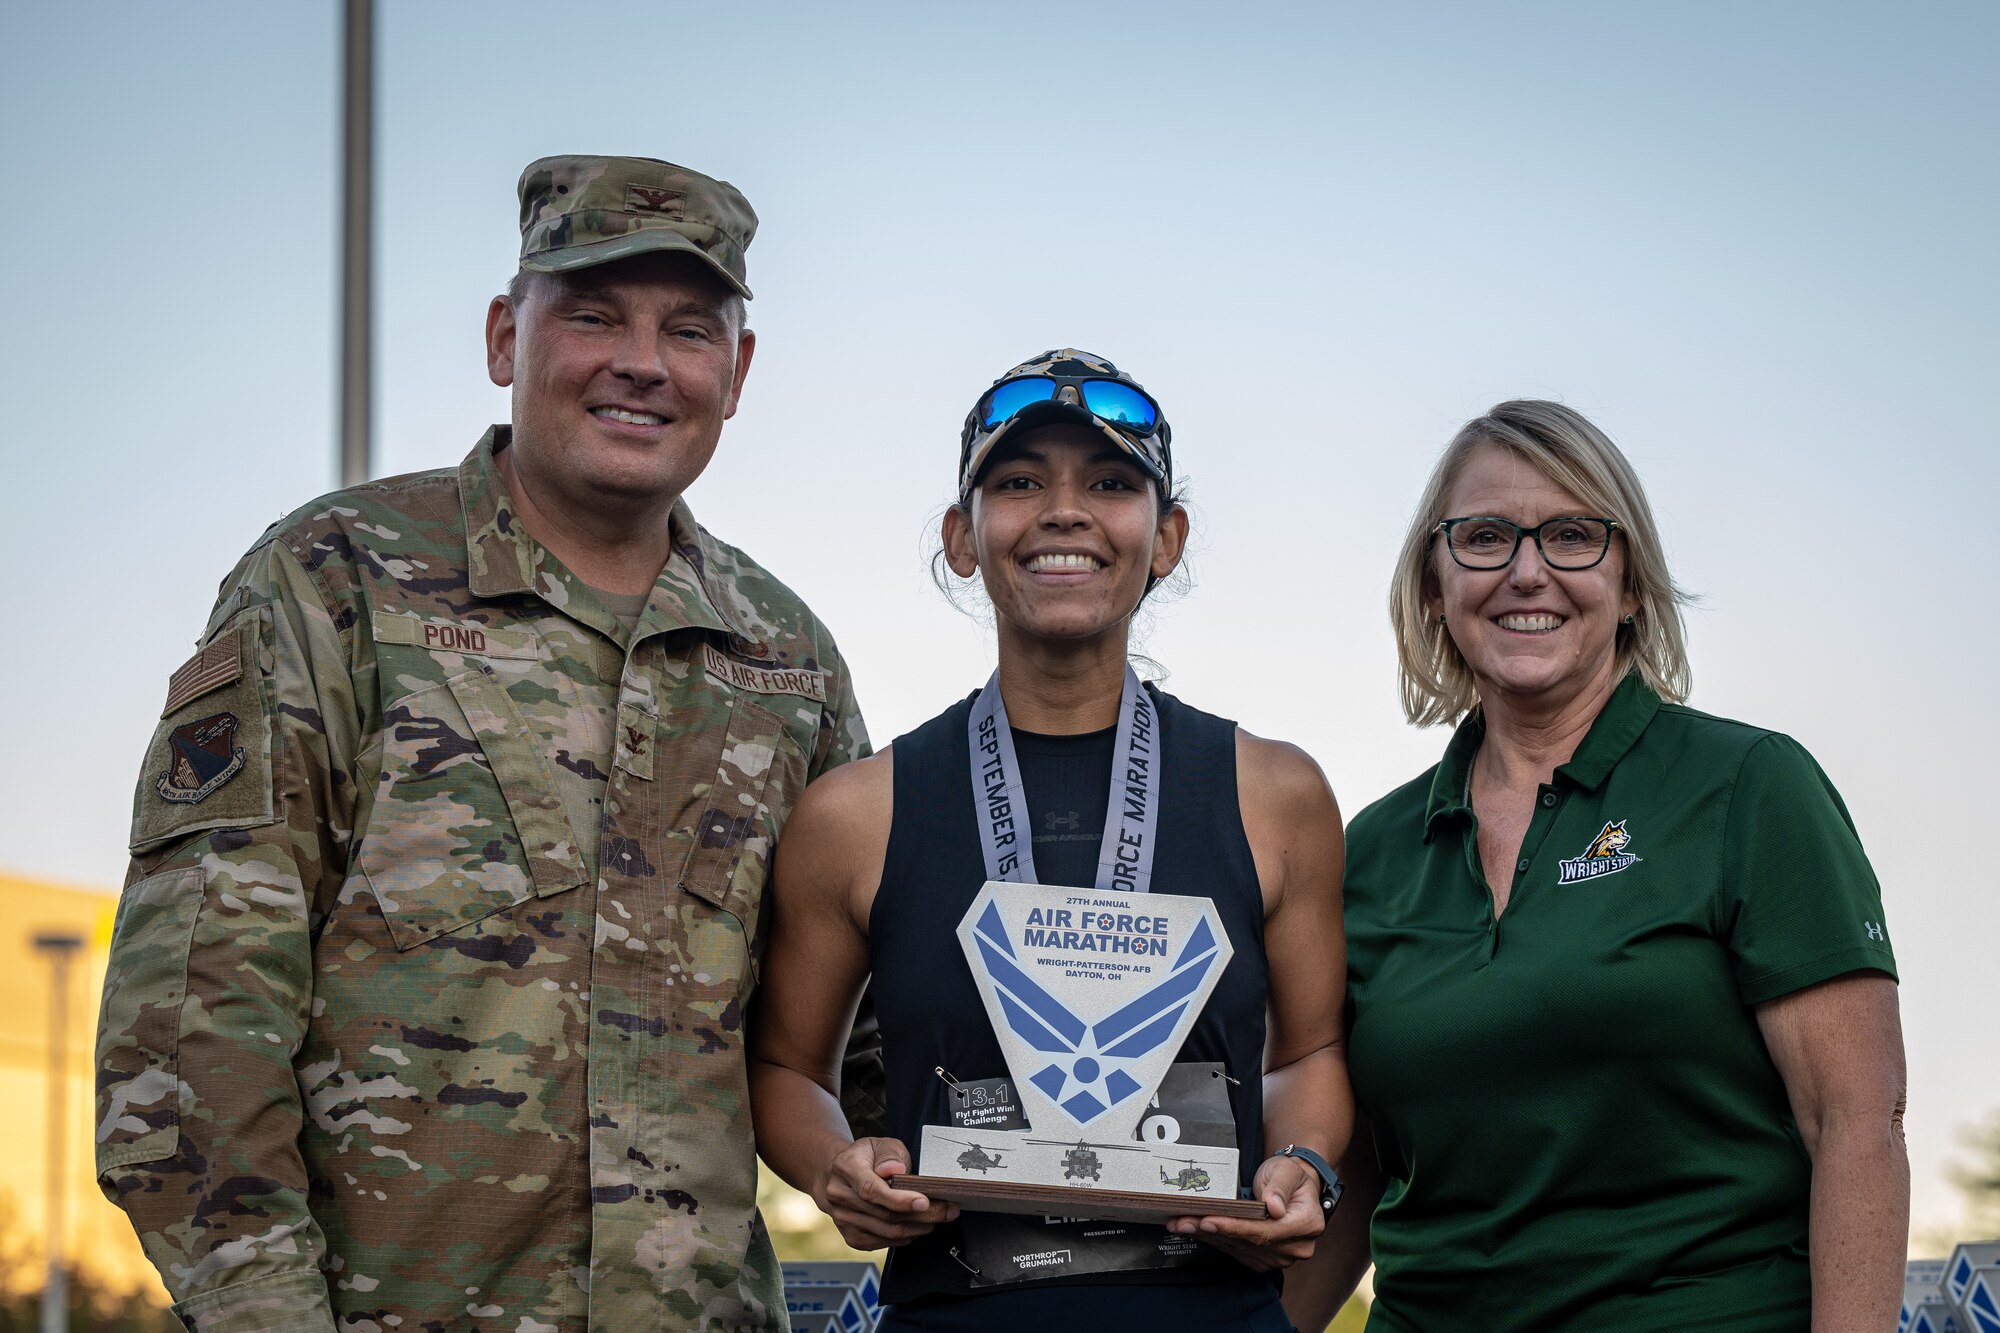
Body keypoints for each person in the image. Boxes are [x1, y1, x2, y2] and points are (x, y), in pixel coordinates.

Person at [94, 155, 869, 1332]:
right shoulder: (333, 579)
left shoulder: (785, 661)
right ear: (507, 337)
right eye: (594, 315)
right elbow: (191, 1017)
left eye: (689, 330)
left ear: (737, 371)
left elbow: (845, 1036)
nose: (643, 364)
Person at [748, 350, 1352, 1332]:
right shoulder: (855, 814)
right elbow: (785, 1069)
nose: (1063, 510)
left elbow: (1308, 1050)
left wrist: (1305, 1160)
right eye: (1019, 481)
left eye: (1110, 483)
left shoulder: (1275, 793)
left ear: (1165, 538)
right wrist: (832, 1166)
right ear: (961, 536)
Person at [1285, 400, 1907, 1332]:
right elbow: (1365, 1165)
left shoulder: (1749, 786)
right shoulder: (1369, 849)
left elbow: (1856, 1122)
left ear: (1631, 584)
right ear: (1432, 584)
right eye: (1485, 537)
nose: (1527, 571)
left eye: (1572, 535)